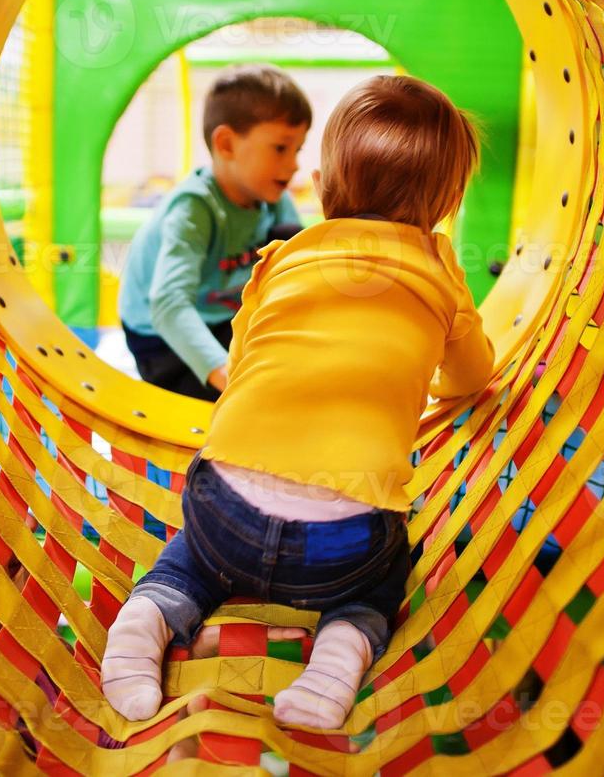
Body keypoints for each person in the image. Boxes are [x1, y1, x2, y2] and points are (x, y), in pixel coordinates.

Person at [100, 75, 496, 730]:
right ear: (447, 201)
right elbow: (471, 378)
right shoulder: (439, 271)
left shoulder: (283, 256)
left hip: (223, 511)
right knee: (385, 571)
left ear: (322, 179)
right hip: (344, 543)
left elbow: (250, 354)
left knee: (190, 558)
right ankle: (342, 648)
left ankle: (149, 617)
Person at [118, 64, 310, 400]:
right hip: (161, 340)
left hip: (222, 318)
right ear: (226, 144)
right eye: (281, 148)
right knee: (237, 403)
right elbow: (169, 305)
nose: (294, 165)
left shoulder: (274, 200)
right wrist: (226, 374)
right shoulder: (194, 208)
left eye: (297, 150)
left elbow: (303, 275)